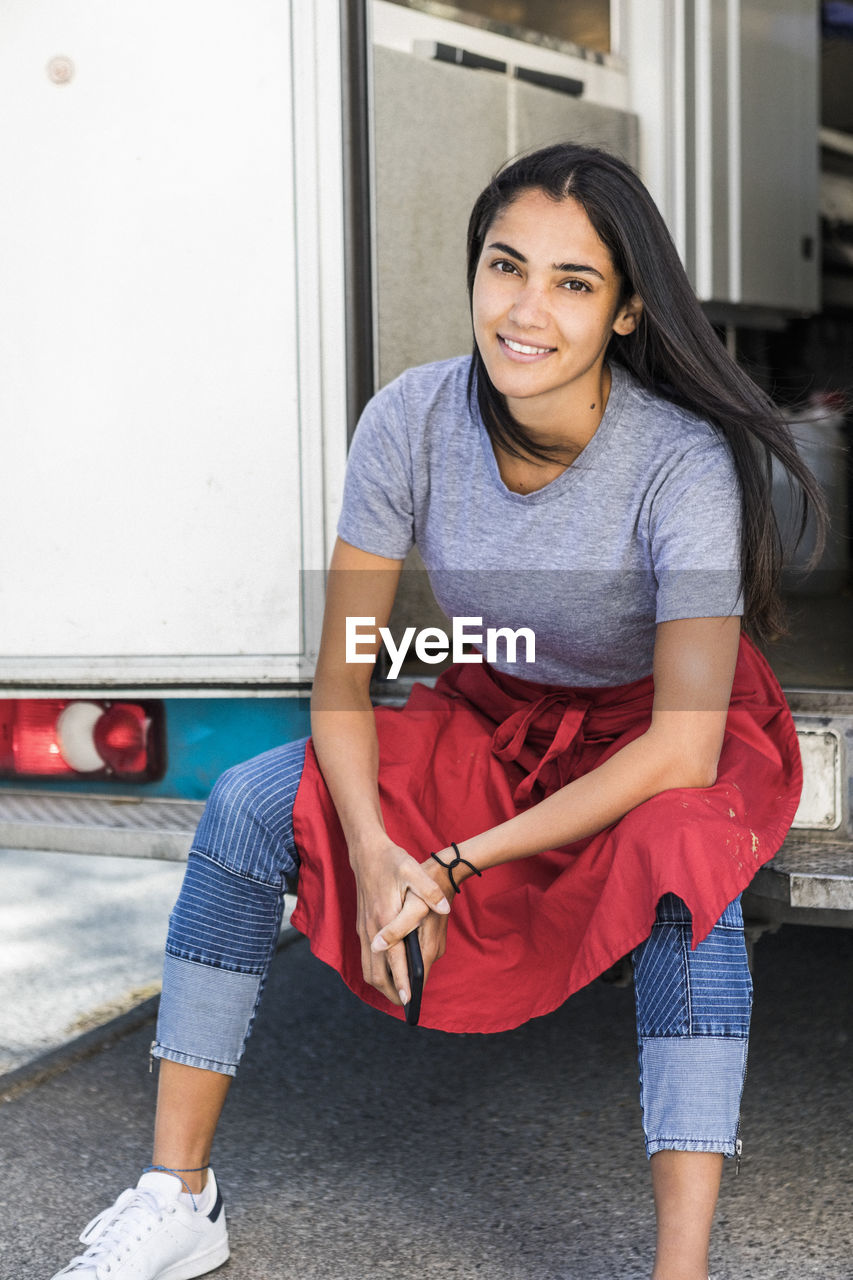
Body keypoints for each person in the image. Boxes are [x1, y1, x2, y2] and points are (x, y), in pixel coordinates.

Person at [51, 142, 821, 1280]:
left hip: (652, 734)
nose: (525, 308)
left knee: (679, 872)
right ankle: (178, 1194)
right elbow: (344, 679)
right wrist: (371, 849)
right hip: (498, 703)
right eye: (506, 266)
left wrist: (451, 863)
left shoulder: (680, 463)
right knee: (249, 804)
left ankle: (681, 1268)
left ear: (623, 312)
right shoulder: (410, 418)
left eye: (572, 282)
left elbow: (682, 743)